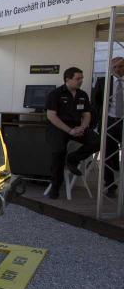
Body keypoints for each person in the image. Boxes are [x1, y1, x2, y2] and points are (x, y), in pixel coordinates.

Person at [45, 66, 100, 199]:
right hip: (59, 127)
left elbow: (87, 115)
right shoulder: (55, 94)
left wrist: (82, 127)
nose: (81, 81)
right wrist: (70, 130)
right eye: (78, 78)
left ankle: (73, 159)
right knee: (58, 152)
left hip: (77, 127)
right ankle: (55, 186)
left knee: (97, 141)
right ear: (67, 79)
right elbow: (51, 116)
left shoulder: (82, 95)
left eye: (82, 78)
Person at [93, 57, 124, 198]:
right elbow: (95, 103)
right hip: (109, 122)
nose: (119, 69)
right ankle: (110, 184)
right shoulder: (103, 82)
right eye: (115, 67)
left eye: (121, 66)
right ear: (111, 69)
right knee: (106, 154)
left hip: (123, 121)